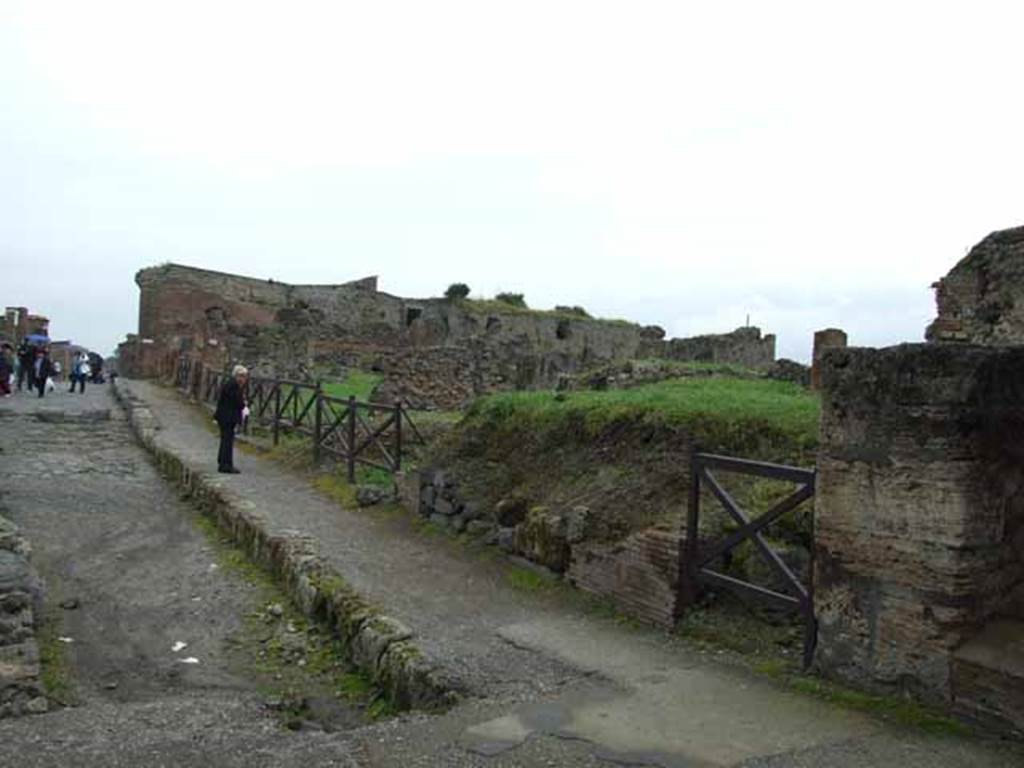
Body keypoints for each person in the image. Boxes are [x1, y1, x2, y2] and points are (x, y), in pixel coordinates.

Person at [214, 364, 249, 474]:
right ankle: (226, 465)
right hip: (228, 417)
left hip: (225, 416)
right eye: (241, 376)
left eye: (245, 376)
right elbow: (237, 401)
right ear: (236, 376)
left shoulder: (231, 384)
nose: (243, 379)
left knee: (225, 440)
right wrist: (244, 404)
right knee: (227, 441)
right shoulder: (233, 386)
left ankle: (222, 462)